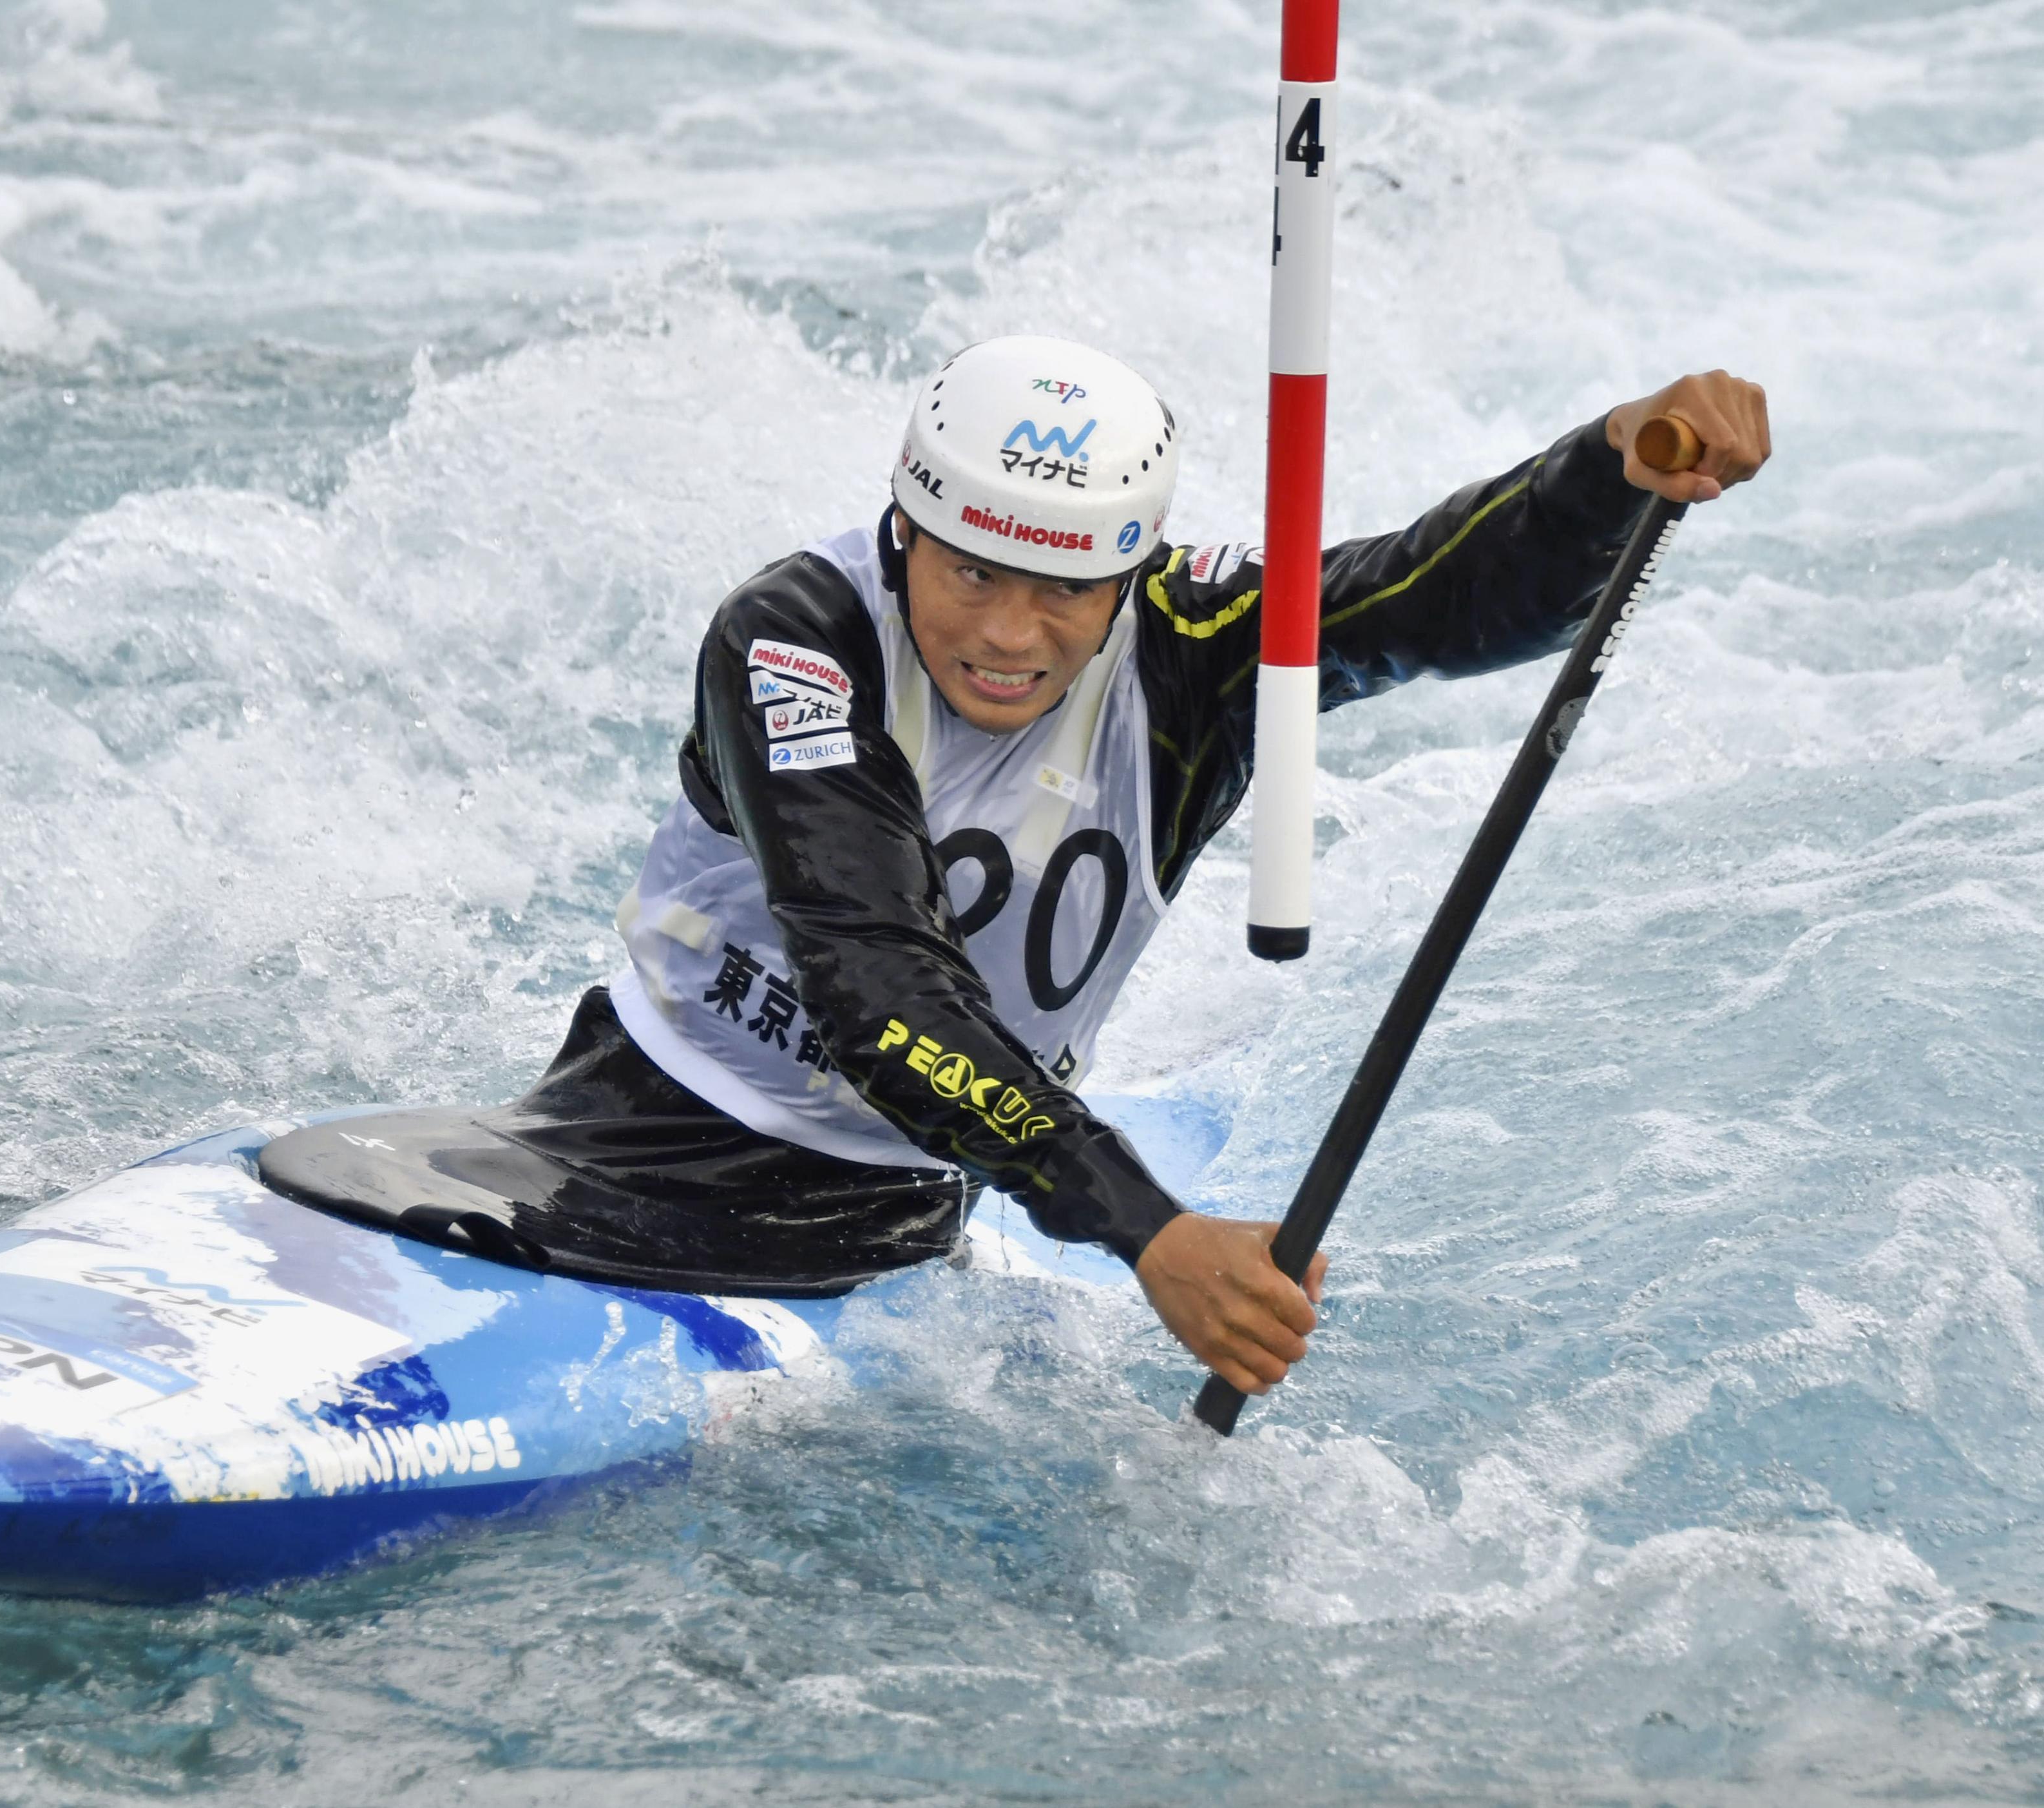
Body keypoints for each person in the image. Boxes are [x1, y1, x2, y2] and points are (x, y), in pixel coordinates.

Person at [492, 335, 1770, 1401]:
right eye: (971, 570)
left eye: (1063, 587)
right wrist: (1147, 1227)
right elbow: (873, 980)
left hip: (914, 1219)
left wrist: (1612, 462)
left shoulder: (1194, 650)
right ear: (905, 531)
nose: (1006, 630)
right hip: (634, 1160)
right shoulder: (795, 640)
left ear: (1130, 571)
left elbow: (1448, 600)